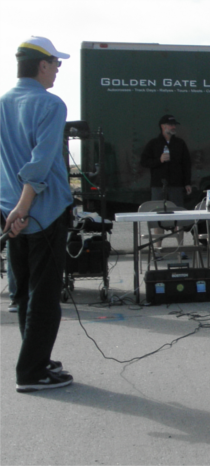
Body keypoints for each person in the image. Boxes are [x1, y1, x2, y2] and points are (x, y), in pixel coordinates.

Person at [0, 36, 74, 392]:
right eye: (56, 64)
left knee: (25, 293)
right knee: (44, 296)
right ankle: (31, 372)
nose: (58, 70)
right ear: (42, 65)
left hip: (12, 213)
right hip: (41, 212)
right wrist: (25, 206)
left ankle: (37, 358)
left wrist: (12, 211)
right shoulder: (50, 104)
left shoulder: (3, 103)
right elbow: (41, 162)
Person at [140, 114, 192, 260]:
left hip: (176, 186)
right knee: (158, 218)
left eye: (175, 125)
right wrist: (159, 160)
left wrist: (187, 182)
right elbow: (144, 162)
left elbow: (186, 164)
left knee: (179, 217)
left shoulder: (180, 143)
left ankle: (180, 249)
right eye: (171, 125)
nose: (174, 127)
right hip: (158, 186)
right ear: (163, 126)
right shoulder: (153, 144)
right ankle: (158, 250)